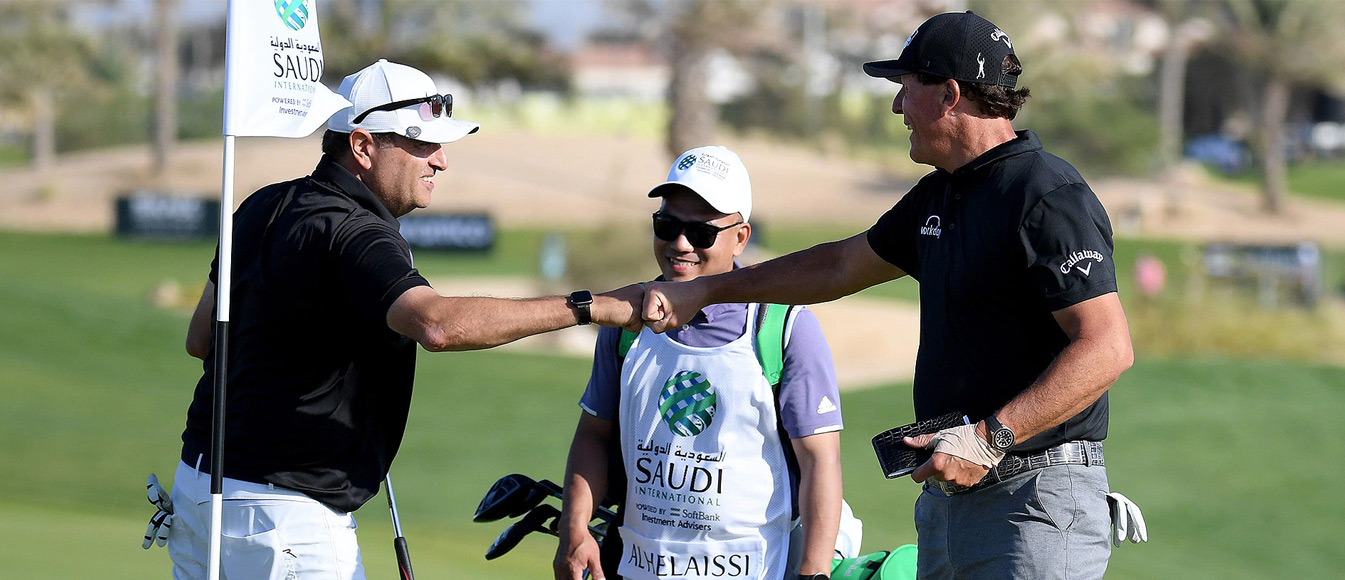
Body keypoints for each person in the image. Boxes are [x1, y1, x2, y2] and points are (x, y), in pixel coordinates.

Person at [642, 12, 1134, 580]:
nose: (897, 107)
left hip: (1035, 501)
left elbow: (1107, 347)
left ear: (949, 95)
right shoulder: (940, 194)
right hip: (953, 497)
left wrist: (990, 437)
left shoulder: (1047, 196)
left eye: (906, 88)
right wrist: (710, 289)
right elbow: (838, 266)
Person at [159, 59, 642, 580]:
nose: (441, 161)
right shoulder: (357, 231)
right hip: (287, 521)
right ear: (363, 146)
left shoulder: (262, 204)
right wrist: (589, 306)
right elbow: (435, 325)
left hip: (199, 495)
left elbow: (201, 336)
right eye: (420, 144)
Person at [553, 146, 845, 580]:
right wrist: (574, 528)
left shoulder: (782, 328)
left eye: (701, 233)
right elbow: (594, 434)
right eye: (667, 225)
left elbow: (820, 461)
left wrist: (813, 572)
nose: (680, 244)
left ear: (741, 237)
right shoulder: (626, 319)